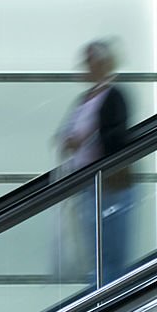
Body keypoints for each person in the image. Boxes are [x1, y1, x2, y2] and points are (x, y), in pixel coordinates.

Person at [55, 39, 133, 284]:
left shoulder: (115, 96)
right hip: (90, 184)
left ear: (102, 63)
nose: (85, 67)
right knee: (95, 251)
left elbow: (116, 136)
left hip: (111, 184)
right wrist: (68, 140)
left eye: (90, 61)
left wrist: (87, 138)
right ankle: (98, 297)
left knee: (111, 250)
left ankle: (110, 300)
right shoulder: (85, 99)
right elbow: (68, 132)